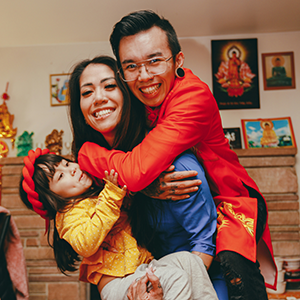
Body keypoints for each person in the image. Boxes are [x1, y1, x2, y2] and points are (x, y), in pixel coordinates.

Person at [77, 10, 277, 300]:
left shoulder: (192, 98)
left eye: (155, 61)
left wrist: (86, 154)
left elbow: (135, 172)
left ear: (178, 61)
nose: (144, 76)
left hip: (226, 200)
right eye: (131, 66)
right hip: (160, 238)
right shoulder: (134, 101)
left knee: (240, 281)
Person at [19, 148, 218, 300]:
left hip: (143, 267)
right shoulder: (67, 217)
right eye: (60, 175)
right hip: (116, 285)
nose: (72, 169)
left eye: (67, 163)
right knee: (175, 278)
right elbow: (86, 243)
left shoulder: (99, 195)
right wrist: (111, 194)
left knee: (189, 262)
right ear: (51, 198)